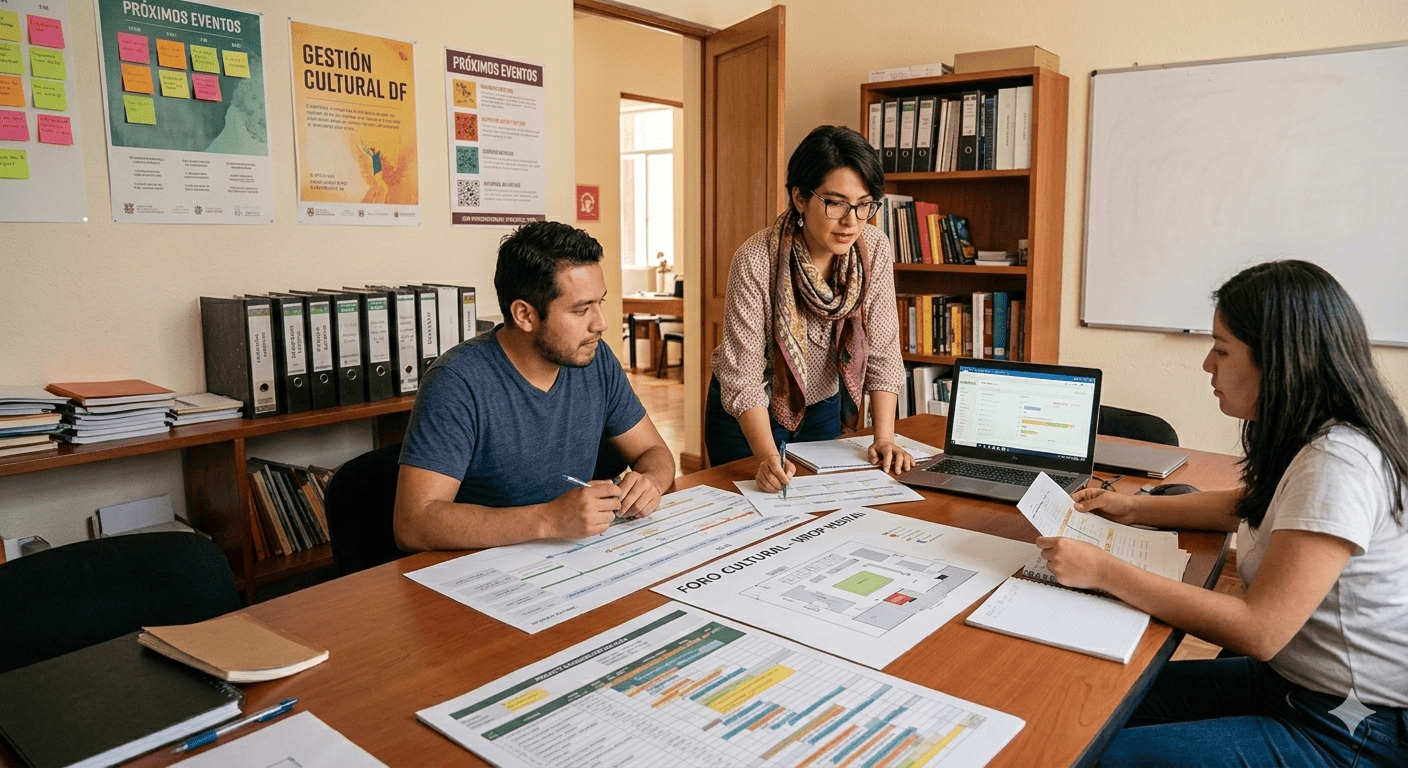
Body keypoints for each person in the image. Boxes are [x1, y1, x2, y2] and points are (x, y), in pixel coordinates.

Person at [1037, 260, 1408, 766]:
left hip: (1350, 724)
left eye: (1222, 349)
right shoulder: (1313, 433)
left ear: (1278, 361)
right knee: (1095, 696)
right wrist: (1135, 507)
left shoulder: (1338, 461)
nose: (1208, 365)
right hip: (1293, 682)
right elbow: (1256, 506)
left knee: (1099, 752)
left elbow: (1259, 630)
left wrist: (1103, 570)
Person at [395, 221, 676, 551]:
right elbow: (413, 524)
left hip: (574, 558)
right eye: (581, 309)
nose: (601, 323)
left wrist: (651, 483)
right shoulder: (456, 383)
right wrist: (550, 519)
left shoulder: (595, 359)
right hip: (483, 570)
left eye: (600, 302)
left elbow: (653, 452)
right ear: (524, 315)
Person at [707, 125, 914, 492]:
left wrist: (884, 438)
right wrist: (767, 458)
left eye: (864, 204)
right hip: (748, 417)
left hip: (821, 409)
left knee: (818, 513)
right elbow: (744, 380)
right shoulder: (756, 260)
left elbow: (883, 351)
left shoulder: (875, 250)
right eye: (835, 203)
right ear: (800, 198)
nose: (851, 221)